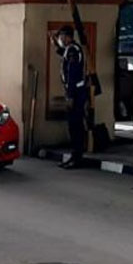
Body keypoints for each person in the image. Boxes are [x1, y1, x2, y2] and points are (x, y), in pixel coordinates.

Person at [51, 25, 87, 169]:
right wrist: (53, 41)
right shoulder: (70, 49)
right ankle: (74, 155)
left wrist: (70, 96)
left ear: (68, 36)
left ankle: (77, 156)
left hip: (76, 93)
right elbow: (61, 52)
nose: (60, 40)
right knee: (73, 126)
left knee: (75, 125)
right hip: (74, 92)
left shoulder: (73, 50)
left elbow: (72, 74)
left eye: (61, 37)